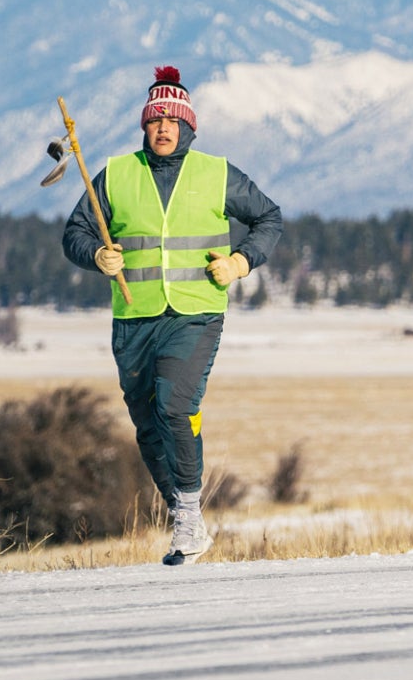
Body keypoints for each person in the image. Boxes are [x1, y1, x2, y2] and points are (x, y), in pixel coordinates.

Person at [62, 65, 283, 564]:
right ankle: (187, 515)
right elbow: (75, 232)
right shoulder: (117, 173)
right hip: (134, 316)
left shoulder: (218, 174)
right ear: (143, 126)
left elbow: (270, 217)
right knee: (146, 423)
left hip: (195, 312)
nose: (162, 128)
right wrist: (97, 255)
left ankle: (186, 517)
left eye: (171, 121)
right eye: (153, 121)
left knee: (174, 406)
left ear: (188, 127)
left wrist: (240, 262)